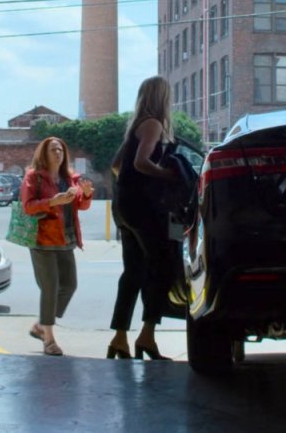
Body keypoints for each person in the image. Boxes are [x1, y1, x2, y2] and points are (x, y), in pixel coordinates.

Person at [107, 76, 181, 361]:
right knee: (162, 268)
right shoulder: (153, 125)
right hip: (144, 209)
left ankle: (119, 339)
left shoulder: (136, 127)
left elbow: (117, 166)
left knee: (133, 272)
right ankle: (147, 336)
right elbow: (140, 162)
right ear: (162, 98)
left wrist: (131, 185)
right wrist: (166, 175)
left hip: (124, 209)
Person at [20, 136, 94, 357]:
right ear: (44, 154)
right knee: (50, 288)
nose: (58, 153)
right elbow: (28, 206)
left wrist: (87, 194)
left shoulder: (70, 178)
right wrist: (53, 201)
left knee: (69, 286)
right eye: (53, 150)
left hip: (66, 240)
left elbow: (81, 205)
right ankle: (49, 339)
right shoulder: (34, 177)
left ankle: (41, 325)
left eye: (61, 149)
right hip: (42, 240)